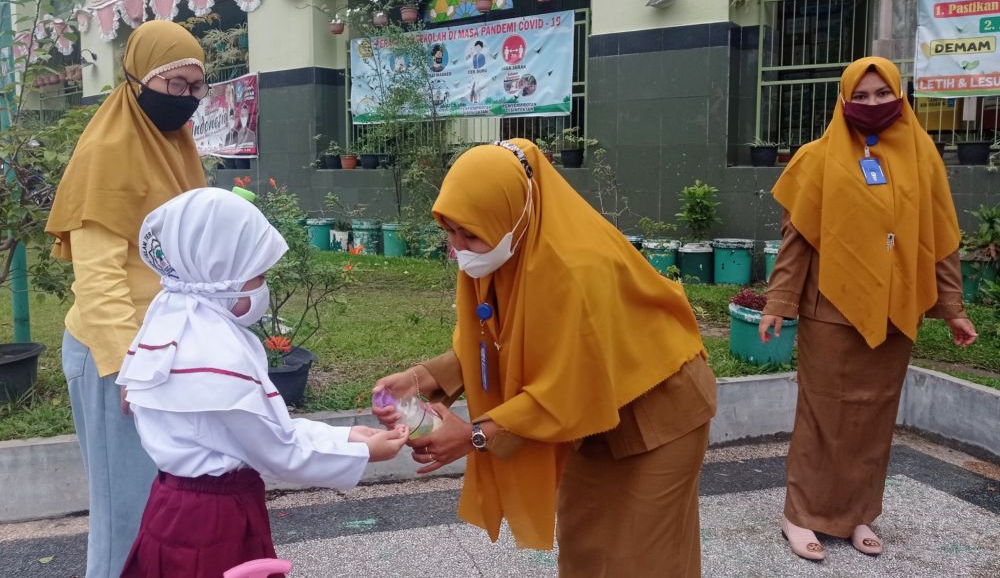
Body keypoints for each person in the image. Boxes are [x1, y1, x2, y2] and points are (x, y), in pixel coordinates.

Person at [372, 139, 717, 576]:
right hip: (592, 416)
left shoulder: (574, 271)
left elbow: (567, 392)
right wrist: (421, 378)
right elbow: (493, 343)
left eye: (470, 234)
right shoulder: (511, 249)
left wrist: (475, 435)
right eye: (450, 231)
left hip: (659, 413)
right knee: (586, 548)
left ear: (512, 215)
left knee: (645, 559)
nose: (457, 248)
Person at [116, 188, 409, 577]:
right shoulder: (217, 354)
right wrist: (363, 452)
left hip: (169, 508)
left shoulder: (166, 320)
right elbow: (278, 450)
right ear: (219, 270)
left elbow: (236, 431)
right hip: (215, 522)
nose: (261, 288)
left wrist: (344, 437)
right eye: (258, 274)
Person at [759, 57, 978, 562]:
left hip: (897, 308)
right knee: (823, 413)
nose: (874, 104)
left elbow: (941, 241)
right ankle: (801, 515)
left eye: (884, 94)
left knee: (874, 415)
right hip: (830, 307)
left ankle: (858, 513)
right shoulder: (816, 158)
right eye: (864, 95)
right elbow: (796, 242)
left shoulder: (923, 157)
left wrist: (952, 307)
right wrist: (780, 302)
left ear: (900, 96)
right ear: (844, 99)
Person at [45, 20, 210, 577]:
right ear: (139, 79)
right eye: (175, 86)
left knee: (166, 511)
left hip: (166, 348)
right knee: (127, 513)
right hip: (116, 358)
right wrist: (126, 370)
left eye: (196, 87)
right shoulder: (109, 153)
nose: (186, 100)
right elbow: (99, 282)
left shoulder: (173, 146)